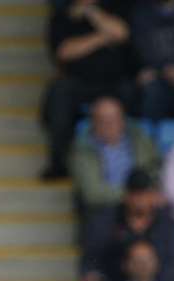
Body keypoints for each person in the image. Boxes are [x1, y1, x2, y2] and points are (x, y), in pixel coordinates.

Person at [40, 0, 132, 181]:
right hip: (78, 82)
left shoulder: (119, 6)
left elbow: (121, 32)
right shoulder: (64, 15)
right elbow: (64, 51)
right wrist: (103, 37)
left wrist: (91, 13)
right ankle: (59, 162)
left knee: (136, 92)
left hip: (115, 82)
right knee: (58, 94)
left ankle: (131, 163)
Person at [72, 96, 161, 217]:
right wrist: (133, 196)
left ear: (123, 120)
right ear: (93, 123)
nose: (110, 124)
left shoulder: (139, 139)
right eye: (103, 120)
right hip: (106, 207)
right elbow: (92, 193)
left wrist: (149, 193)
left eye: (114, 118)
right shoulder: (83, 150)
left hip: (144, 202)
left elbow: (156, 167)